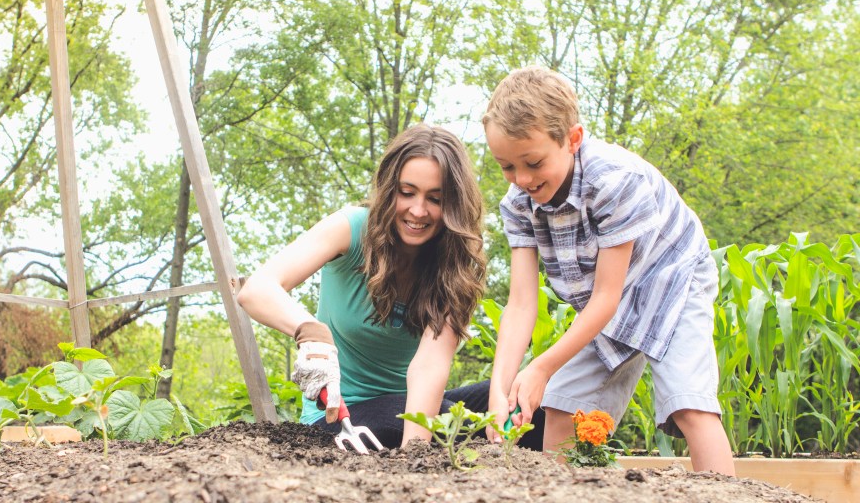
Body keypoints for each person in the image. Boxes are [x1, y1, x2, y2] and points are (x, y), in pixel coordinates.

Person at [481, 66, 735, 474]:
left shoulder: (613, 181)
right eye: (506, 167)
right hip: (607, 300)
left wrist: (541, 366)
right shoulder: (517, 205)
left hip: (672, 277)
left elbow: (606, 299)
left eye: (532, 162)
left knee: (688, 403)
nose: (522, 179)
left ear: (572, 139)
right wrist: (499, 392)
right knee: (561, 406)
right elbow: (521, 304)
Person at [237, 124, 544, 449]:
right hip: (340, 419)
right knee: (395, 420)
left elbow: (430, 366)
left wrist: (415, 453)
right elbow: (257, 289)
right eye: (407, 192)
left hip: (411, 410)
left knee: (527, 401)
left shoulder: (453, 265)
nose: (418, 210)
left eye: (435, 198)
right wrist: (309, 331)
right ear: (389, 189)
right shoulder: (352, 228)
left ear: (453, 205)